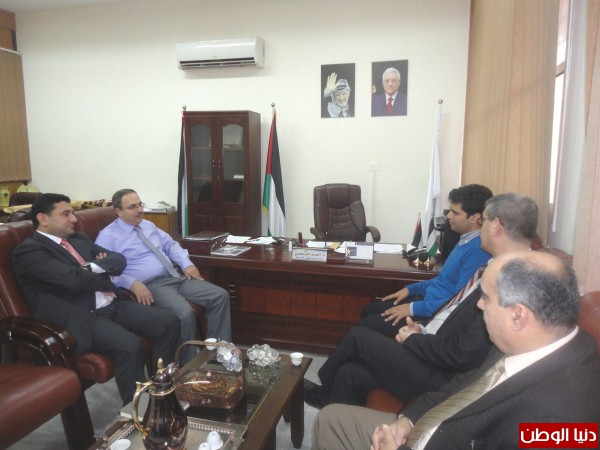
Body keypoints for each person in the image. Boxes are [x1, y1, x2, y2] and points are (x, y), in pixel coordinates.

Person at [314, 250, 600, 450]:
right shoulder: (527, 343)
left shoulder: (565, 421)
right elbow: (462, 385)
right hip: (428, 427)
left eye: (486, 298)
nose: (479, 304)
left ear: (518, 315)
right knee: (330, 418)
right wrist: (407, 420)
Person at [304, 193, 537, 410]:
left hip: (441, 375)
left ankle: (321, 392)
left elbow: (464, 354)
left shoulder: (510, 282)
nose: (480, 227)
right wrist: (422, 329)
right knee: (349, 373)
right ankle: (335, 413)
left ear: (496, 225)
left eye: (484, 220)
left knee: (358, 336)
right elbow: (454, 312)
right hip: (432, 343)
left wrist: (415, 339)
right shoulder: (496, 267)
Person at [12, 193, 180, 404]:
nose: (74, 219)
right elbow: (74, 281)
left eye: (73, 213)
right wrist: (98, 270)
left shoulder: (78, 239)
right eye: (66, 214)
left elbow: (118, 261)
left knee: (168, 321)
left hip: (111, 303)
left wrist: (87, 268)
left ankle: (161, 390)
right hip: (81, 317)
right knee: (130, 346)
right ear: (43, 218)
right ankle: (138, 412)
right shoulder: (29, 252)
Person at [95, 189, 231, 364]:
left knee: (219, 295)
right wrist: (130, 283)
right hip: (151, 285)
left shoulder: (148, 225)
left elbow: (170, 245)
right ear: (118, 211)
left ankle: (219, 353)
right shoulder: (107, 237)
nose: (139, 210)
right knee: (184, 314)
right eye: (132, 207)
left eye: (140, 204)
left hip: (174, 276)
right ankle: (188, 365)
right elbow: (104, 270)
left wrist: (186, 264)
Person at [360, 184, 493, 338]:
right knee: (369, 310)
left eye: (455, 213)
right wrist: (410, 289)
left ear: (476, 218)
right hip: (428, 301)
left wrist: (411, 309)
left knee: (364, 328)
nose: (448, 216)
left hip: (433, 315)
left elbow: (457, 302)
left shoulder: (478, 250)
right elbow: (442, 281)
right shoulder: (465, 240)